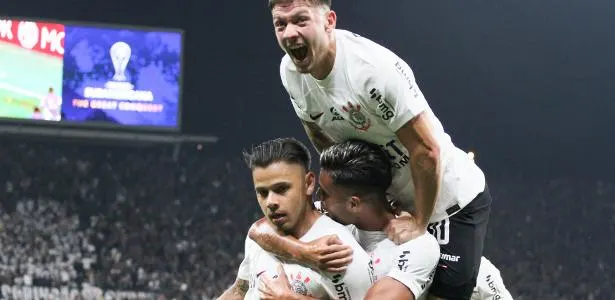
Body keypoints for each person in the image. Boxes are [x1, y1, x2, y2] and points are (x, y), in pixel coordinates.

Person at [254, 1, 493, 299]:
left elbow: (426, 152)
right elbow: (321, 135)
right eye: (281, 24)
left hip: (448, 203)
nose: (290, 33)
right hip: (389, 203)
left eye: (301, 21)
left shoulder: (371, 70)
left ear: (329, 21)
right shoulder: (290, 73)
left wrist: (419, 221)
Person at [259, 139, 511, 300]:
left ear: (354, 203)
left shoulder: (417, 246)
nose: (317, 201)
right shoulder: (336, 215)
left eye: (324, 195)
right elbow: (261, 228)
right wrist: (303, 252)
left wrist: (288, 298)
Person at [217, 138, 375, 300]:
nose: (270, 202)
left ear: (309, 183)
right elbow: (240, 290)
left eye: (282, 189)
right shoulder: (261, 236)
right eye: (262, 193)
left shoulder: (339, 253)